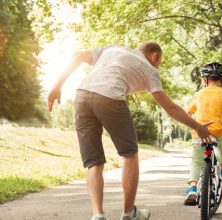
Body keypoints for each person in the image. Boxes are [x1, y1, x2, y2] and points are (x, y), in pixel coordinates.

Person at [47, 41, 212, 220]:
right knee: (130, 154)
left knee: (94, 162)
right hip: (110, 97)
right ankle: (128, 213)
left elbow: (77, 56)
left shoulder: (112, 49)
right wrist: (198, 127)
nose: (158, 65)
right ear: (154, 56)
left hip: (82, 96)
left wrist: (56, 87)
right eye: (160, 62)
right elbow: (171, 109)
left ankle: (98, 215)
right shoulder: (150, 70)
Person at [184, 62, 222, 205]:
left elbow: (188, 112)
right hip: (217, 130)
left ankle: (192, 188)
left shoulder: (199, 94)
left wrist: (192, 123)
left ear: (205, 80)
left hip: (199, 131)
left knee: (196, 161)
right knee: (219, 144)